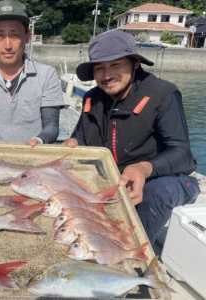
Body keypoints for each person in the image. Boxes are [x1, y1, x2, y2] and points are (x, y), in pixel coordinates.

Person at [62, 30, 200, 251]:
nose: (107, 75)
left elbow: (183, 155)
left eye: (115, 65)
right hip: (116, 179)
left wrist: (143, 169)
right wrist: (72, 145)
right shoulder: (92, 98)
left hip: (168, 180)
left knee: (157, 192)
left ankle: (134, 257)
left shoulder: (163, 93)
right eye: (99, 68)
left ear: (135, 63)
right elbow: (80, 138)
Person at [0, 0, 64, 147]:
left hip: (32, 155)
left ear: (27, 36)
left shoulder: (47, 74)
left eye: (15, 35)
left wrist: (38, 141)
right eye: (0, 36)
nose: (8, 46)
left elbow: (51, 127)